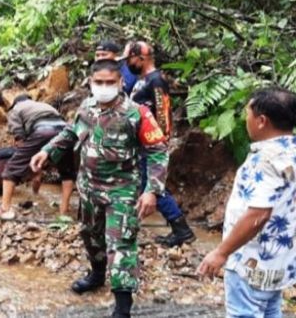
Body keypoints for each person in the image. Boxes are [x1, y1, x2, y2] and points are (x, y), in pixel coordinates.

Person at [30, 59, 168, 317]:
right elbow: (72, 132)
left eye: (110, 82)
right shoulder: (86, 107)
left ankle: (122, 307)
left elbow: (158, 152)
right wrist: (47, 151)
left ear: (120, 83)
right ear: (91, 82)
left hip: (122, 191)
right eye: (99, 82)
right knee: (90, 236)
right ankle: (96, 275)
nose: (104, 87)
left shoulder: (136, 113)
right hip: (89, 188)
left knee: (120, 244)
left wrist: (152, 190)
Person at [198, 88, 296, 318]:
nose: (246, 120)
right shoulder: (291, 151)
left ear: (262, 121)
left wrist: (221, 253)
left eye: (248, 114)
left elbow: (258, 215)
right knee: (271, 311)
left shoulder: (264, 160)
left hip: (250, 262)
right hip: (280, 261)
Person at [126, 41, 195, 247]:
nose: (128, 64)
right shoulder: (142, 80)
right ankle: (178, 229)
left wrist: (161, 140)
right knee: (148, 184)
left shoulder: (156, 80)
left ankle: (182, 230)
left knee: (154, 187)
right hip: (141, 142)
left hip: (152, 143)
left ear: (141, 58)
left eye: (130, 59)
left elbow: (163, 111)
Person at [0, 94, 76, 219]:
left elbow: (19, 137)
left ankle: (5, 208)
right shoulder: (43, 105)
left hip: (43, 130)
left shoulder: (16, 109)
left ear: (15, 103)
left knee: (12, 167)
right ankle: (64, 210)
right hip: (65, 132)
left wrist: (24, 159)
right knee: (67, 171)